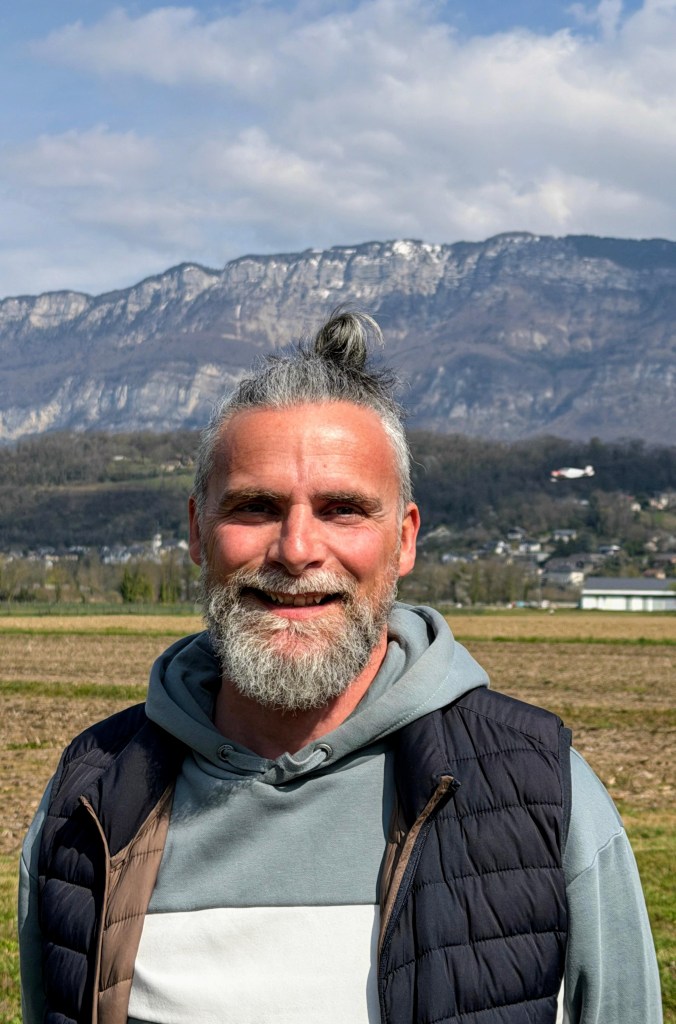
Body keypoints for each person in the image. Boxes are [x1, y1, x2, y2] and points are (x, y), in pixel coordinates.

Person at [19, 310, 661, 1024]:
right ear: (197, 531)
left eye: (342, 509)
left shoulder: (547, 797)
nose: (296, 550)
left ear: (404, 541)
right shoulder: (86, 807)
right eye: (256, 507)